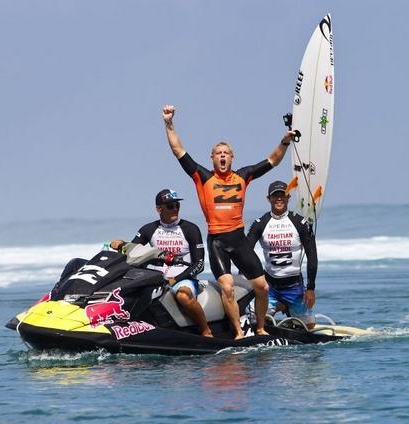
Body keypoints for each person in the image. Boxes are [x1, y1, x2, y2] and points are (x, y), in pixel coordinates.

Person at [162, 104, 294, 339]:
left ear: (232, 158)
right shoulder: (202, 176)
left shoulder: (243, 176)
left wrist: (285, 142)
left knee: (263, 287)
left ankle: (261, 328)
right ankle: (238, 334)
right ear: (212, 158)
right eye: (218, 153)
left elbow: (273, 160)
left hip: (238, 239)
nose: (222, 156)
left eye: (226, 153)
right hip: (217, 242)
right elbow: (178, 150)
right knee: (226, 286)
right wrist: (169, 123)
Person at [110, 188, 212, 337]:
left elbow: (200, 264)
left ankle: (206, 331)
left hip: (183, 277)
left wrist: (175, 280)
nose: (175, 209)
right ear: (159, 209)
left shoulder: (190, 229)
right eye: (170, 206)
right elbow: (133, 252)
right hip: (155, 277)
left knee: (183, 295)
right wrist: (121, 244)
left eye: (177, 205)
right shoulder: (148, 229)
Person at [246, 181, 317, 329]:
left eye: (282, 195)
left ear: (288, 197)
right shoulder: (260, 223)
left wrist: (310, 288)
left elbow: (312, 255)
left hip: (295, 287)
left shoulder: (299, 222)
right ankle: (281, 306)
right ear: (268, 199)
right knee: (253, 320)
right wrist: (250, 277)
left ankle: (287, 306)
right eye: (275, 195)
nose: (279, 198)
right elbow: (245, 252)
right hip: (270, 286)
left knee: (308, 328)